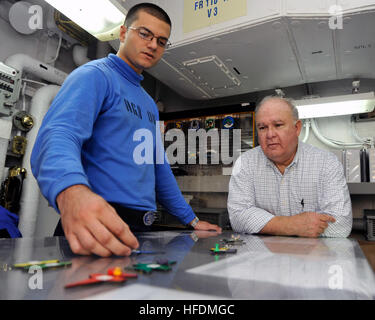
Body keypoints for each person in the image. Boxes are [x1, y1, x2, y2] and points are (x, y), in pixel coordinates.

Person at [31, 3, 221, 257]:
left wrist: (192, 220)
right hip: (99, 221)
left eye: (161, 41)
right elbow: (59, 135)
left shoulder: (148, 105)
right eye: (145, 34)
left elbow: (158, 167)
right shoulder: (95, 76)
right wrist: (71, 193)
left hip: (142, 226)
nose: (153, 45)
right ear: (122, 33)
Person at [227, 96, 352, 238]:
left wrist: (266, 224)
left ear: (297, 128)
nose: (270, 134)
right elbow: (238, 216)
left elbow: (341, 224)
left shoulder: (327, 163)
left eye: (278, 125)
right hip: (262, 257)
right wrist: (290, 225)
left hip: (312, 257)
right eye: (262, 128)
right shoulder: (245, 163)